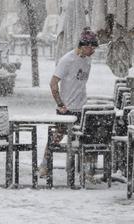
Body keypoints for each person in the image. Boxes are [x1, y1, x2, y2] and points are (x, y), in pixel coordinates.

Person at [39, 27, 98, 178]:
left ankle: (86, 172)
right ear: (85, 46)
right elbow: (53, 83)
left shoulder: (87, 61)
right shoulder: (67, 60)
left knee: (87, 139)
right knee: (56, 138)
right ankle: (44, 166)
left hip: (82, 108)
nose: (94, 51)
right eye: (92, 48)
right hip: (66, 108)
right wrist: (60, 104)